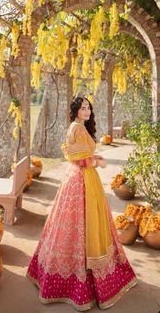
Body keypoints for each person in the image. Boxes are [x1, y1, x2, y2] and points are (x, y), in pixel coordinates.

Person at [27, 96, 137, 311]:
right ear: (76, 110)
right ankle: (73, 284)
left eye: (89, 107)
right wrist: (99, 162)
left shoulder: (80, 127)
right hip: (81, 180)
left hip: (85, 179)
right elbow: (76, 158)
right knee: (79, 224)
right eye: (83, 107)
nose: (87, 110)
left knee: (84, 224)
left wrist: (93, 158)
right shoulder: (76, 128)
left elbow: (81, 153)